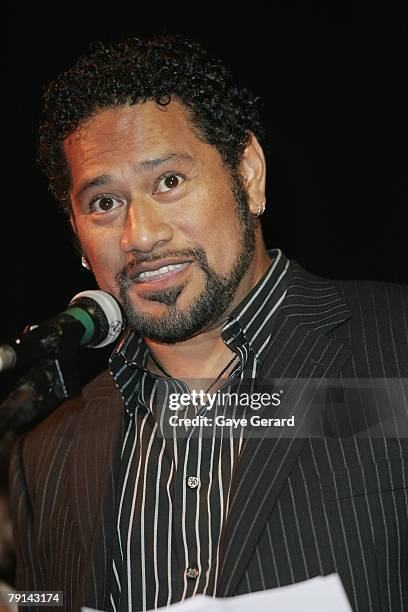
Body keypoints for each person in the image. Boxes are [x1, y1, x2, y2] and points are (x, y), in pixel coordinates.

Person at [9, 35, 408, 612]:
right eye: (104, 203)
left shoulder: (394, 349)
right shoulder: (47, 452)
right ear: (75, 232)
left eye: (168, 182)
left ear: (248, 174)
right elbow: (47, 598)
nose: (139, 235)